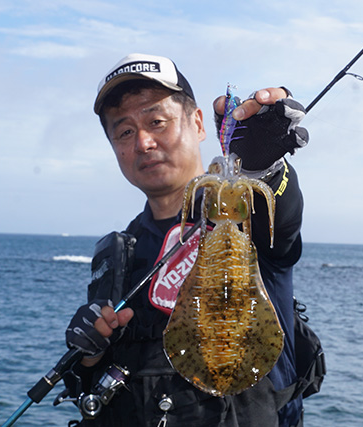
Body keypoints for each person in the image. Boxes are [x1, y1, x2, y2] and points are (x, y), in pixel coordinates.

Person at [64, 53, 311, 427]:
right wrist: (88, 357)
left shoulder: (248, 215)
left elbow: (282, 216)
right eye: (125, 131)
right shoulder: (120, 252)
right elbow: (92, 386)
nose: (144, 142)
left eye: (156, 121)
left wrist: (264, 167)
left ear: (198, 122)